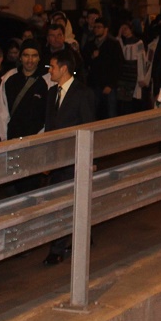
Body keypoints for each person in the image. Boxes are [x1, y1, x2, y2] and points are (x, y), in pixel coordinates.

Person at [42, 49, 97, 266]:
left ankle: (58, 248)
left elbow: (88, 126)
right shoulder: (51, 93)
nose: (50, 71)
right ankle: (80, 236)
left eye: (52, 67)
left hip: (74, 157)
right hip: (57, 158)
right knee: (60, 201)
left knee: (67, 202)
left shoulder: (83, 93)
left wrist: (90, 160)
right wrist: (47, 158)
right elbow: (49, 127)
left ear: (64, 68)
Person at [0, 40, 48, 142]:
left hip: (38, 140)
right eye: (26, 55)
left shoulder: (48, 80)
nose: (30, 60)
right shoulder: (9, 78)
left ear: (39, 58)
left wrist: (40, 138)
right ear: (20, 57)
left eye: (34, 56)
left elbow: (49, 115)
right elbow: (3, 112)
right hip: (13, 138)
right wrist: (4, 139)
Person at [82, 17, 123, 119]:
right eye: (95, 27)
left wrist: (111, 84)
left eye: (99, 27)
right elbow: (84, 61)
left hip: (108, 84)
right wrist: (92, 57)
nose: (96, 29)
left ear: (106, 29)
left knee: (111, 112)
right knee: (93, 112)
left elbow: (118, 66)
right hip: (94, 84)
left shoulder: (113, 44)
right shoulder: (90, 44)